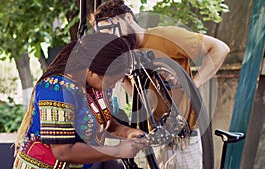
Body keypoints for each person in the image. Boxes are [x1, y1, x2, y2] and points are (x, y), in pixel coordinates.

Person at [88, 1, 230, 169]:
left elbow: (220, 48)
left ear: (127, 17)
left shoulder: (165, 37)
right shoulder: (126, 54)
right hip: (158, 138)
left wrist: (192, 84)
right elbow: (141, 97)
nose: (113, 38)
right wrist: (122, 77)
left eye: (113, 30)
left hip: (184, 138)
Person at [13, 33, 148, 169]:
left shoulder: (97, 86)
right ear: (90, 71)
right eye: (111, 80)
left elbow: (105, 121)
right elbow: (63, 152)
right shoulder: (56, 90)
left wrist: (127, 132)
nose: (113, 85)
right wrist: (118, 151)